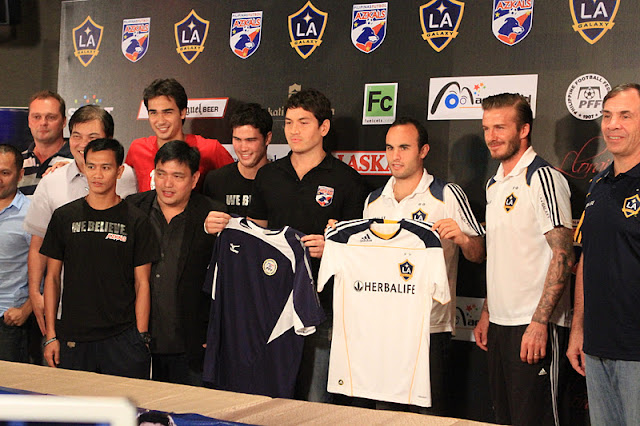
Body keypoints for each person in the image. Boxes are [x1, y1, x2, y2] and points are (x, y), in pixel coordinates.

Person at [205, 88, 369, 403]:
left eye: (303, 122)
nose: (294, 130)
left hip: (324, 307)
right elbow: (254, 236)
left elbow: (360, 250)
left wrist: (333, 249)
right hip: (272, 303)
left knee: (315, 402)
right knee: (270, 396)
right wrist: (222, 227)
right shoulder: (269, 176)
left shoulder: (347, 180)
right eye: (289, 122)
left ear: (324, 127)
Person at [361, 117, 485, 415]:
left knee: (429, 416)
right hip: (384, 328)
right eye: (390, 148)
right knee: (385, 415)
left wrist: (462, 239)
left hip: (430, 327)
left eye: (404, 147)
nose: (395, 156)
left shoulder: (446, 194)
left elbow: (479, 254)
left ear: (423, 151)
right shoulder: (374, 201)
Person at [473, 93, 574, 426]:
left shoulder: (542, 178)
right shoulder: (494, 184)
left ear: (524, 130)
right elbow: (503, 256)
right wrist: (488, 312)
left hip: (534, 326)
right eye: (487, 128)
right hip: (500, 326)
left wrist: (540, 322)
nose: (491, 136)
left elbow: (564, 254)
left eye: (500, 127)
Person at [40, 138, 158, 378]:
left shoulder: (137, 220)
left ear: (119, 171)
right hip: (74, 336)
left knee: (126, 403)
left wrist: (141, 336)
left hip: (123, 337)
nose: (97, 174)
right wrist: (51, 335)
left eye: (106, 167)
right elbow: (52, 278)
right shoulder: (64, 217)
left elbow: (142, 282)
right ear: (84, 168)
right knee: (76, 403)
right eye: (91, 166)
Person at [25, 105, 138, 339]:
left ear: (109, 140)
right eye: (76, 136)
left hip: (119, 308)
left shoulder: (127, 176)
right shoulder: (51, 182)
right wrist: (35, 292)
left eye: (92, 137)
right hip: (66, 308)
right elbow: (38, 244)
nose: (83, 144)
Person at [568, 83, 640, 425]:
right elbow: (587, 258)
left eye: (625, 115)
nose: (613, 125)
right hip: (597, 349)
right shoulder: (598, 184)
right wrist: (578, 329)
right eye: (607, 115)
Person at [127, 140, 226, 385]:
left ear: (194, 179)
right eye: (161, 174)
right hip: (137, 341)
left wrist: (215, 330)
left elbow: (227, 282)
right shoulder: (131, 208)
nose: (167, 184)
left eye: (177, 176)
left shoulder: (213, 215)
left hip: (192, 346)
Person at [125, 78, 233, 192]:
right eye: (153, 113)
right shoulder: (137, 149)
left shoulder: (209, 149)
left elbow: (237, 182)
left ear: (182, 112)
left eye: (167, 112)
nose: (160, 121)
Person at [203, 102, 272, 216]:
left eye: (250, 140)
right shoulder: (215, 181)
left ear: (267, 138)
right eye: (237, 139)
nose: (243, 148)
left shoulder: (282, 181)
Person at [0, 144, 32, 362]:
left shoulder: (31, 213)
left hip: (9, 321)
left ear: (20, 175)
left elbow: (48, 270)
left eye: (5, 173)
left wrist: (26, 310)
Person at [20, 91, 72, 195]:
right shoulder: (17, 162)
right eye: (36, 117)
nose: (43, 123)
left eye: (51, 117)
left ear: (64, 122)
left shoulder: (78, 161)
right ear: (29, 121)